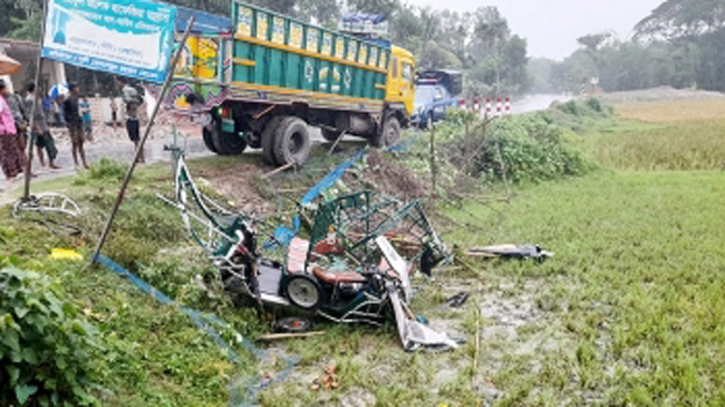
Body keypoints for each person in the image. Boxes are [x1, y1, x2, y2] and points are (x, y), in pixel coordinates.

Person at [26, 82, 59, 169]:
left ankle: (51, 162)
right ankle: (43, 163)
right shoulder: (30, 100)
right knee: (39, 145)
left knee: (49, 144)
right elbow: (31, 115)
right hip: (38, 125)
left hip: (43, 124)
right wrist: (37, 128)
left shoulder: (37, 99)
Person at [0, 80, 24, 181]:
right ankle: (9, 175)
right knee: (7, 153)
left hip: (9, 130)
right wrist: (3, 129)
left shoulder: (3, 99)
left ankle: (14, 172)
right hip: (5, 131)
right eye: (6, 87)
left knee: (12, 151)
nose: (8, 90)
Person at [118, 77, 144, 163]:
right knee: (137, 140)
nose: (118, 84)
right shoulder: (133, 89)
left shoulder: (125, 90)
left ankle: (141, 158)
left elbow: (128, 100)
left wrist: (130, 106)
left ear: (122, 82)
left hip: (131, 118)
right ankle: (139, 157)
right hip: (135, 117)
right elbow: (140, 100)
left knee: (136, 140)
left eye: (118, 82)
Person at [63, 83, 88, 169]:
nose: (78, 89)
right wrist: (69, 124)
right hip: (72, 124)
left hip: (78, 123)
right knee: (74, 143)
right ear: (72, 89)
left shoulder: (77, 99)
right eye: (76, 88)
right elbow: (65, 114)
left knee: (81, 142)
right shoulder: (67, 100)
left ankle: (84, 162)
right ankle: (76, 163)